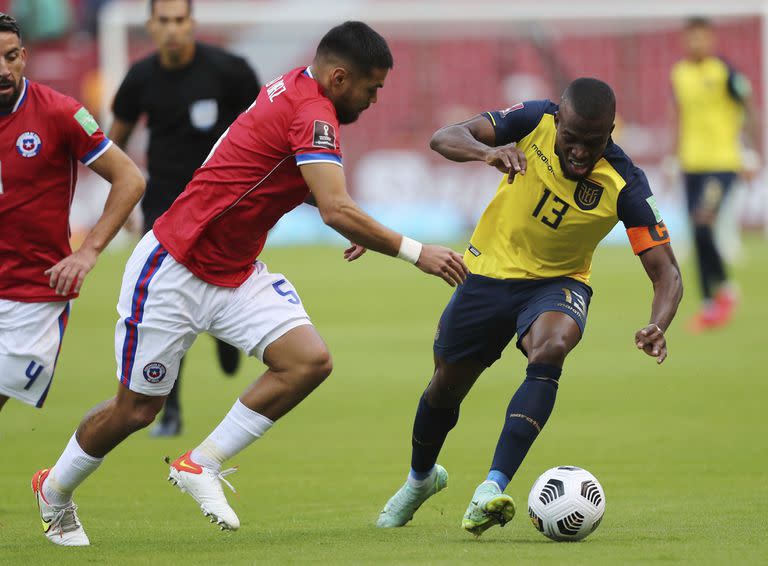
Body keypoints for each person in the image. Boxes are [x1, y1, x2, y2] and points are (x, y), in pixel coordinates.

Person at [31, 21, 468, 547]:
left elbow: (293, 181)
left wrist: (357, 221)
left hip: (235, 272)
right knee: (137, 410)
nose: (374, 99)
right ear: (339, 77)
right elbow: (333, 207)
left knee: (308, 360)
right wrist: (415, 252)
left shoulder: (300, 90)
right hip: (174, 269)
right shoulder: (311, 111)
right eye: (372, 87)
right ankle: (53, 490)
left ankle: (202, 463)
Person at [376, 78, 683, 536]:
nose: (580, 152)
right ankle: (420, 480)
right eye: (572, 139)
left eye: (593, 143)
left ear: (611, 132)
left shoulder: (625, 184)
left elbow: (667, 273)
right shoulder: (532, 119)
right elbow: (444, 137)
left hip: (557, 283)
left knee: (552, 346)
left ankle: (491, 488)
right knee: (445, 387)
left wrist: (658, 323)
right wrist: (488, 153)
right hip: (486, 275)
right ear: (557, 120)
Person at [109, 0, 262, 436]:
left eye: (180, 20)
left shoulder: (230, 71)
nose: (173, 29)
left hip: (225, 204)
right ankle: (169, 408)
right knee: (167, 307)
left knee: (218, 284)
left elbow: (265, 128)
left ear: (192, 23)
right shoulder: (140, 78)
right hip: (165, 205)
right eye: (165, 21)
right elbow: (113, 144)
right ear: (151, 26)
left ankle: (225, 336)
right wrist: (121, 203)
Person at [0, 13, 144, 413]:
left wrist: (89, 250)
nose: (3, 69)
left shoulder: (59, 113)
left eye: (11, 57)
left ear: (24, 56)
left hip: (31, 298)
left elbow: (129, 178)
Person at [669, 17, 758, 333]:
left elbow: (749, 107)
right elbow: (677, 117)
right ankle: (709, 304)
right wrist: (671, 158)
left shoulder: (727, 73)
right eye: (691, 38)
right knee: (696, 229)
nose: (696, 44)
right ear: (685, 40)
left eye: (701, 38)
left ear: (711, 39)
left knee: (704, 220)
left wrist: (752, 152)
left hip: (723, 162)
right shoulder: (679, 74)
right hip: (692, 164)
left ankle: (727, 291)